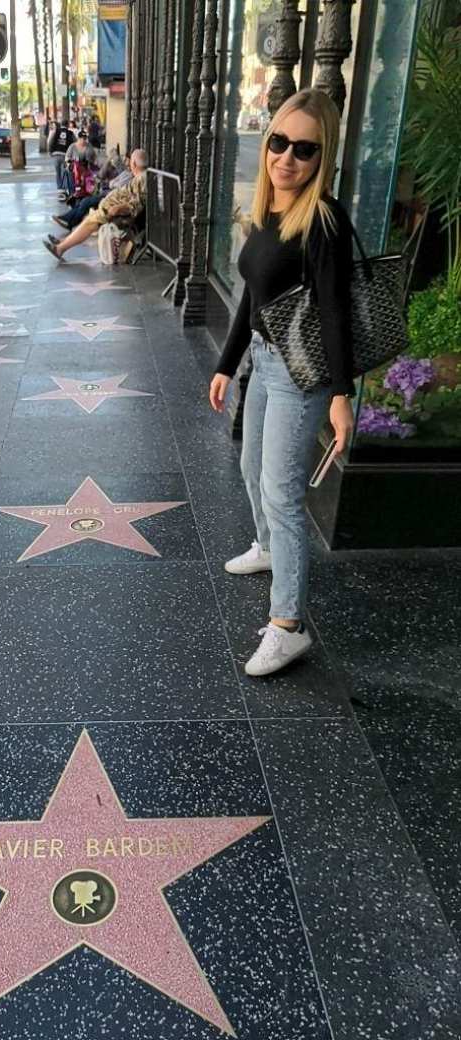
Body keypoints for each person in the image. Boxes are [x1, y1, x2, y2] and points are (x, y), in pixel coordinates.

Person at [208, 88, 355, 678]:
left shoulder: (323, 220)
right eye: (278, 142)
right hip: (267, 361)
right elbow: (252, 298)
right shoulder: (269, 211)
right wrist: (226, 363)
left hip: (305, 373)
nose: (286, 158)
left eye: (304, 149)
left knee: (284, 494)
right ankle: (268, 549)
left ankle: (288, 626)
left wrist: (342, 396)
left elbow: (336, 309)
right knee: (251, 469)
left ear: (323, 157)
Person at [43, 148, 149, 259]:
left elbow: (136, 204)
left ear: (134, 163)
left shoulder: (142, 178)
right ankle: (62, 243)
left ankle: (60, 249)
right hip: (110, 207)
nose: (129, 164)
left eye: (130, 161)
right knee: (89, 218)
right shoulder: (142, 177)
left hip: (115, 212)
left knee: (89, 222)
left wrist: (118, 208)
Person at [52, 153, 133, 230]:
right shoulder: (126, 172)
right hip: (107, 193)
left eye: (127, 160)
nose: (125, 162)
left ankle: (69, 222)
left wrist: (110, 183)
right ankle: (67, 219)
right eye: (124, 160)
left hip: (111, 196)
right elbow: (112, 182)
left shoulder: (130, 175)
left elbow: (115, 185)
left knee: (86, 202)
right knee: (84, 201)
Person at [49, 119, 76, 192]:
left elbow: (50, 141)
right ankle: (64, 188)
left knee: (57, 172)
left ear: (61, 124)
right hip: (65, 155)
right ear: (67, 125)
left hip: (56, 154)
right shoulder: (70, 133)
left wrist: (50, 151)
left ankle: (59, 188)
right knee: (65, 172)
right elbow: (75, 144)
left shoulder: (56, 131)